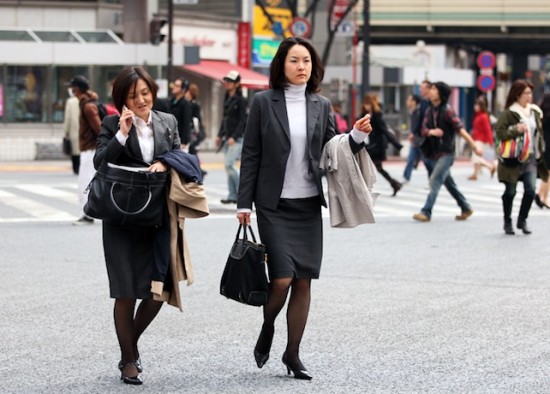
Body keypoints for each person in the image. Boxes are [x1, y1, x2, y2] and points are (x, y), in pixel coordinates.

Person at [236, 37, 372, 380]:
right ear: (282, 63)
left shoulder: (321, 104)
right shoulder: (264, 103)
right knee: (281, 278)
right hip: (273, 204)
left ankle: (292, 353)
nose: (301, 67)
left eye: (307, 61)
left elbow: (332, 149)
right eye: (295, 60)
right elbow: (251, 154)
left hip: (307, 203)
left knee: (304, 281)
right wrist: (243, 203)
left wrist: (355, 137)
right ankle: (268, 324)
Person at [93, 66, 182, 385]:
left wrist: (166, 162)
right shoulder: (111, 123)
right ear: (122, 99)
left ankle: (129, 344)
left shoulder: (167, 121)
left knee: (158, 290)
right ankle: (129, 359)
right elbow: (100, 161)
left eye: (145, 93)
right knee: (126, 291)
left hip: (157, 217)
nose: (141, 100)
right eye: (133, 96)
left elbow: (181, 156)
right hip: (120, 218)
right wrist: (122, 133)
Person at [412, 81, 482, 222]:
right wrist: (432, 131)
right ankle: (465, 207)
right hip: (434, 152)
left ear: (441, 94)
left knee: (435, 180)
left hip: (447, 153)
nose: (430, 91)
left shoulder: (447, 110)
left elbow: (460, 129)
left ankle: (426, 212)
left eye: (434, 89)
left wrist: (474, 147)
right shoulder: (429, 110)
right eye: (431, 89)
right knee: (449, 183)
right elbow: (423, 130)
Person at [494, 79, 548, 234]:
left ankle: (522, 220)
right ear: (517, 95)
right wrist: (515, 130)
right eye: (526, 93)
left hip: (530, 156)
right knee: (510, 191)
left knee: (530, 190)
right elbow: (499, 133)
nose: (529, 96)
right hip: (513, 158)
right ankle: (507, 221)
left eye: (530, 92)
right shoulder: (509, 113)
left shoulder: (535, 112)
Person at [66, 75, 102, 225]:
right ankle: (86, 213)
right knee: (84, 184)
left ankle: (87, 215)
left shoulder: (88, 106)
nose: (70, 90)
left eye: (72, 87)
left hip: (90, 150)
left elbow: (99, 129)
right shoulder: (85, 104)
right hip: (87, 149)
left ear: (77, 90)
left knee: (85, 184)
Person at [360, 93, 403, 196]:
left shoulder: (377, 116)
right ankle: (394, 184)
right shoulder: (363, 116)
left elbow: (385, 131)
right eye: (365, 104)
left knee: (366, 166)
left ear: (372, 104)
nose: (367, 106)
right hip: (370, 145)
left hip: (377, 146)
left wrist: (396, 144)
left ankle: (364, 190)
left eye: (369, 104)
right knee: (377, 167)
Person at [216, 70, 247, 204]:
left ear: (237, 84)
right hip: (227, 137)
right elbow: (224, 118)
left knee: (229, 165)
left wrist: (234, 136)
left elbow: (243, 121)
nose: (227, 83)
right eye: (227, 81)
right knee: (228, 166)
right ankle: (233, 196)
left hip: (237, 138)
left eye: (230, 81)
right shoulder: (227, 97)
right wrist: (219, 134)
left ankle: (244, 193)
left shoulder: (241, 100)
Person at [468, 97, 496, 180]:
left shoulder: (483, 116)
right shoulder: (477, 116)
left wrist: (490, 141)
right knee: (476, 157)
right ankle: (475, 174)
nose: (475, 107)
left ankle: (490, 167)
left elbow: (488, 129)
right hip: (476, 138)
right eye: (475, 105)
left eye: (477, 105)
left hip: (480, 140)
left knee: (476, 157)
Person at [185, 83, 207, 176]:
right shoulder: (192, 104)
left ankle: (198, 171)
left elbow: (197, 120)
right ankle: (199, 170)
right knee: (192, 151)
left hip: (193, 132)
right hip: (193, 132)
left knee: (191, 151)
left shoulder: (193, 105)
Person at [402, 94, 422, 183]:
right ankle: (406, 177)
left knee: (428, 160)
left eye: (409, 100)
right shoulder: (413, 111)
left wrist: (413, 133)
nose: (407, 102)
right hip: (415, 139)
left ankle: (434, 178)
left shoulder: (418, 112)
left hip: (420, 139)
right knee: (411, 158)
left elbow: (418, 125)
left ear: (414, 102)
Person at [535, 93, 550, 209]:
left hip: (542, 145)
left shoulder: (541, 115)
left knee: (547, 172)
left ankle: (540, 194)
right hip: (549, 146)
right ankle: (543, 197)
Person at [169, 77, 193, 150]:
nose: (174, 87)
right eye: (174, 85)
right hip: (170, 139)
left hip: (181, 140)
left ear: (183, 89)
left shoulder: (185, 104)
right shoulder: (171, 102)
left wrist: (184, 142)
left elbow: (186, 123)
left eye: (177, 86)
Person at [63, 88, 80, 175]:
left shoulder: (70, 102)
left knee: (74, 150)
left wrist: (66, 130)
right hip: (83, 130)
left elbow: (68, 118)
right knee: (81, 150)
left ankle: (75, 168)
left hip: (74, 130)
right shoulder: (85, 99)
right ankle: (80, 168)